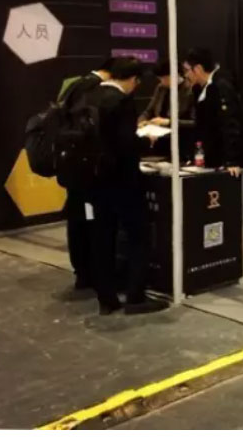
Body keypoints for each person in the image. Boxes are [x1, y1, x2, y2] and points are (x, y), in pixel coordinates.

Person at [84, 57, 168, 315]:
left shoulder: (91, 95)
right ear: (133, 80)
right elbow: (126, 144)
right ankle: (135, 296)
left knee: (102, 237)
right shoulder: (121, 101)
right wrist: (147, 142)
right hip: (123, 180)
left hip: (95, 178)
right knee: (138, 235)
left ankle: (106, 297)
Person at [59, 57, 115, 292]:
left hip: (71, 165)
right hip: (87, 169)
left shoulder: (74, 84)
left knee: (76, 219)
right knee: (90, 222)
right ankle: (91, 272)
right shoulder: (95, 89)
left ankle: (82, 272)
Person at [182, 48, 243, 176]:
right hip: (211, 158)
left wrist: (232, 161)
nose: (185, 75)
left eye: (187, 70)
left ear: (198, 69)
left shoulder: (221, 86)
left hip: (227, 160)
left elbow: (231, 124)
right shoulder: (199, 89)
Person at [139, 60, 195, 159]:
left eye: (165, 78)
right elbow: (149, 111)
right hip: (160, 138)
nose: (162, 82)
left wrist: (168, 121)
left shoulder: (190, 90)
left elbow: (194, 122)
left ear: (177, 75)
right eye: (160, 79)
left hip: (181, 140)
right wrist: (141, 121)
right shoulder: (161, 88)